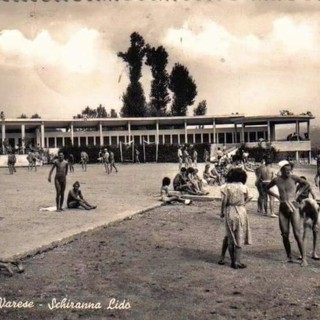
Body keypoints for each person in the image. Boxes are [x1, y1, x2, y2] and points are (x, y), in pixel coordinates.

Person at [265, 160, 310, 267]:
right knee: (285, 234)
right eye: (286, 170)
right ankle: (289, 256)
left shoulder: (294, 178)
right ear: (281, 170)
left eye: (289, 170)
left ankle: (304, 258)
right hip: (283, 207)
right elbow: (266, 188)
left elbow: (306, 184)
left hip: (294, 206)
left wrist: (298, 193)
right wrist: (276, 196)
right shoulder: (276, 180)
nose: (288, 172)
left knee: (297, 233)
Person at [219, 167, 252, 269]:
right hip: (241, 211)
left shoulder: (226, 187)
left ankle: (230, 259)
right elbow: (250, 197)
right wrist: (243, 203)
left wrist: (222, 212)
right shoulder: (243, 187)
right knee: (239, 235)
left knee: (229, 236)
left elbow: (224, 201)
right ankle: (237, 261)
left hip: (230, 210)